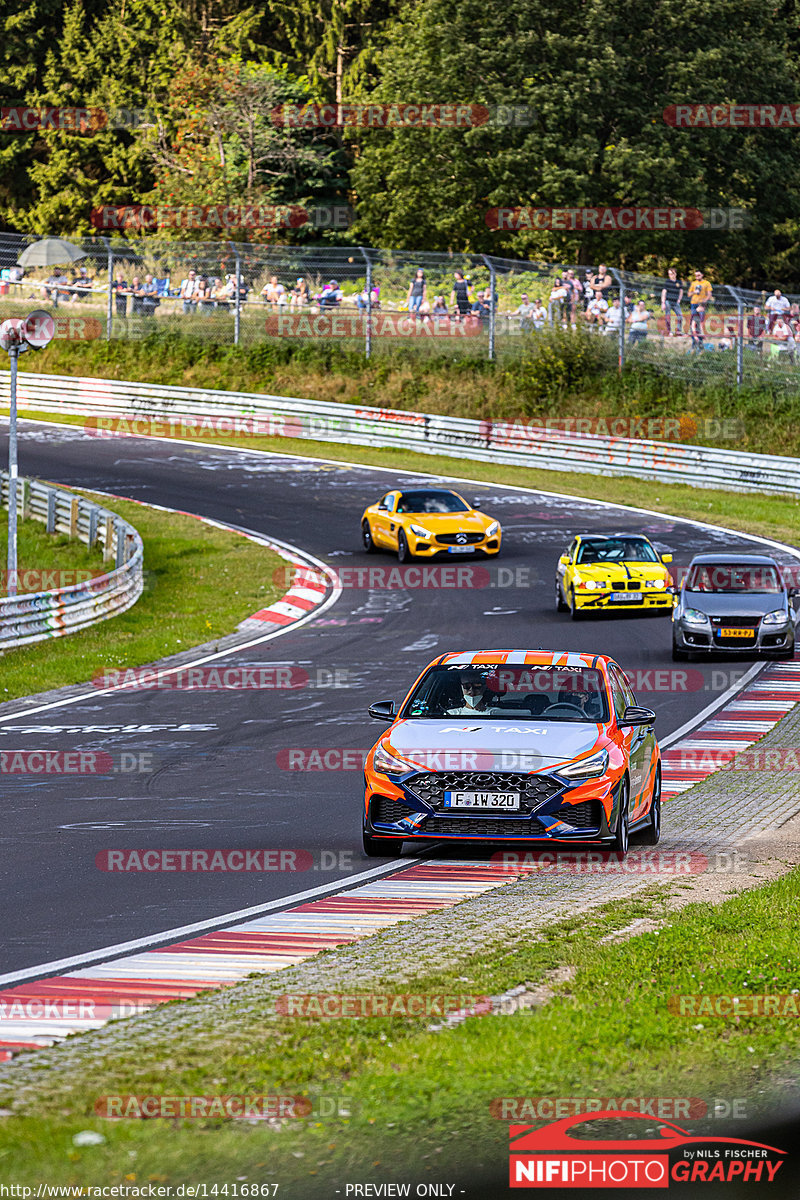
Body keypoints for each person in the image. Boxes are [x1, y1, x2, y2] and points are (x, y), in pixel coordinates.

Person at [687, 269, 712, 340]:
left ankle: (701, 334)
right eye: (695, 275)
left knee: (700, 320)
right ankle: (693, 335)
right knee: (693, 320)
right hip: (693, 303)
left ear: (702, 275)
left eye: (698, 275)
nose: (697, 277)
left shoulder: (706, 283)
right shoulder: (693, 283)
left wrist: (705, 301)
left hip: (701, 304)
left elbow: (709, 294)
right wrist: (694, 292)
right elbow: (689, 294)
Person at [660, 267, 684, 337]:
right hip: (668, 301)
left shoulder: (679, 282)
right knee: (668, 316)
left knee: (680, 316)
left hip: (676, 302)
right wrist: (663, 303)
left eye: (671, 274)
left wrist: (679, 300)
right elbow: (664, 292)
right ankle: (669, 331)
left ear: (675, 274)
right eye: (669, 274)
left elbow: (681, 291)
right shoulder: (667, 282)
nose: (670, 275)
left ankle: (678, 331)